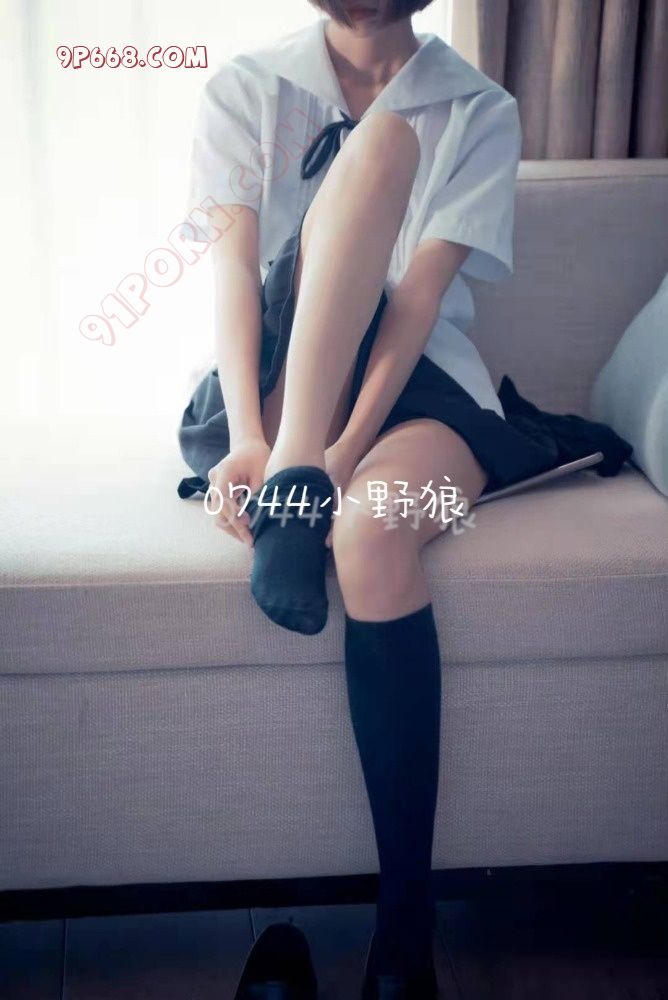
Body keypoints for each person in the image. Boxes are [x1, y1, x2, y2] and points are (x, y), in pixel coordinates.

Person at [176, 1, 531, 996]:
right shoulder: (244, 88)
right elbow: (232, 272)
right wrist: (252, 440)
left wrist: (337, 459)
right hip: (277, 381)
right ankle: (289, 473)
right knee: (378, 149)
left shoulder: (479, 108)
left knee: (372, 531)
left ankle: (403, 941)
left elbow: (414, 304)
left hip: (413, 386)